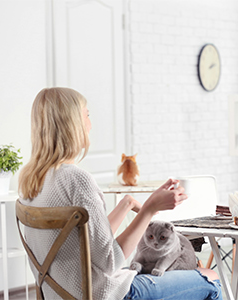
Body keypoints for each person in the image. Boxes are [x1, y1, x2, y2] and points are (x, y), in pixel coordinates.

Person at [18, 87, 222, 300]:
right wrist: (150, 209)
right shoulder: (77, 180)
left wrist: (126, 204)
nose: (90, 124)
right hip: (107, 294)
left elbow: (88, 241)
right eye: (86, 115)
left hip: (58, 294)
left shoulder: (30, 181)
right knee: (210, 277)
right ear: (72, 124)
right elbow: (110, 262)